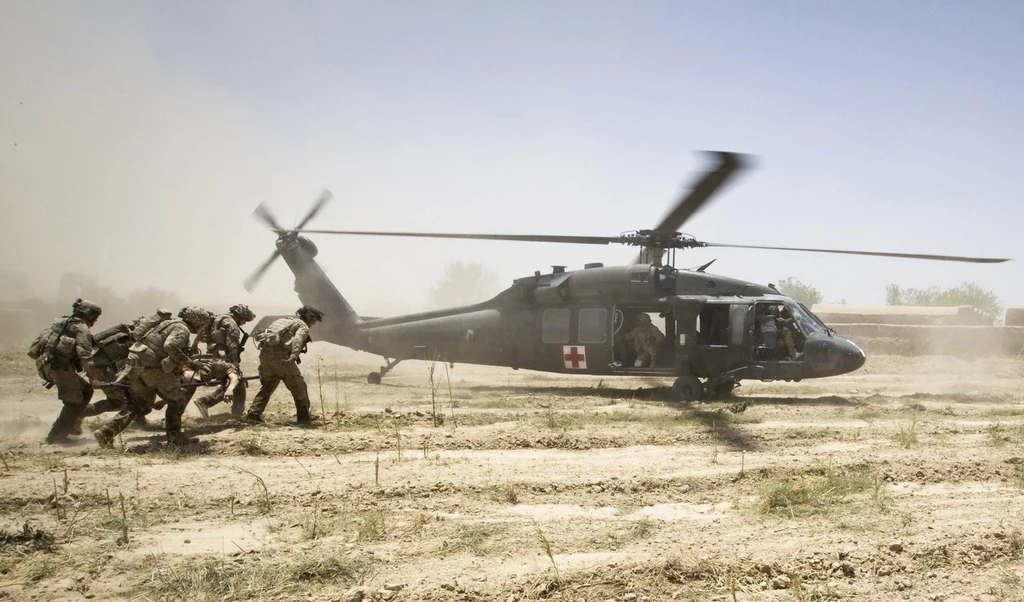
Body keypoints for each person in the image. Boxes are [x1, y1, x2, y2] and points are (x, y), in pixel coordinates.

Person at [93, 306, 213, 448]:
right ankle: (175, 439)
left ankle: (107, 431)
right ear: (196, 321)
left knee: (139, 405)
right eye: (201, 324)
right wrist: (191, 363)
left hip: (135, 367)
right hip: (152, 369)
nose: (201, 328)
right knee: (178, 400)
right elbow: (170, 346)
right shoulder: (182, 329)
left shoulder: (166, 324)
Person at [27, 299, 103, 444]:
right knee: (73, 402)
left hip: (44, 364)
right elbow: (85, 356)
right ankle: (56, 437)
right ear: (87, 314)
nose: (95, 321)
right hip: (60, 367)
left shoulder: (58, 321)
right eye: (94, 317)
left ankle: (73, 424)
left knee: (86, 390)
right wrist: (94, 379)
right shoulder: (81, 328)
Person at [243, 305, 323, 425]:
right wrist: (294, 355)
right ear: (309, 318)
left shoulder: (282, 321)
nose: (313, 324)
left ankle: (253, 414)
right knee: (299, 387)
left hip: (265, 357)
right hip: (282, 360)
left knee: (268, 386)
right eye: (314, 321)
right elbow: (298, 339)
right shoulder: (302, 326)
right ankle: (304, 419)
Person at [193, 304, 255, 418]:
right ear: (240, 316)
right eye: (244, 320)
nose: (244, 323)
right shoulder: (231, 324)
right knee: (237, 381)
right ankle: (234, 414)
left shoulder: (218, 319)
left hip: (212, 356)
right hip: (224, 359)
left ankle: (209, 403)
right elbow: (232, 345)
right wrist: (235, 362)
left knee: (231, 382)